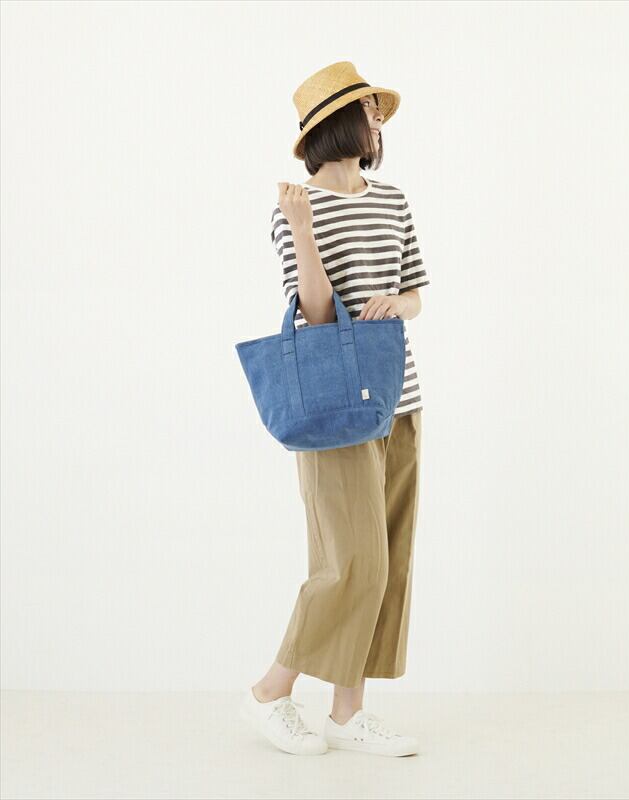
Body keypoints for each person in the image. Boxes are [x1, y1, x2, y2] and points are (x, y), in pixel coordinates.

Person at [239, 62, 430, 757]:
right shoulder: (297, 207)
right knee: (353, 565)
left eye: (378, 113)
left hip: (400, 399)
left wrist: (394, 302)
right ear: (337, 124)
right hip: (334, 407)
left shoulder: (393, 200)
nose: (378, 122)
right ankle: (270, 691)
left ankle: (347, 714)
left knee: (388, 564)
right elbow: (315, 314)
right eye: (369, 112)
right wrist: (301, 226)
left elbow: (415, 294)